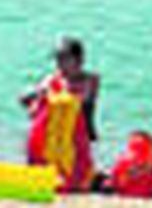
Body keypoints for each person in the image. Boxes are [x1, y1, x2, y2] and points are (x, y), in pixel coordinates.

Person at [21, 36, 99, 190]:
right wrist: (37, 96)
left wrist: (56, 96)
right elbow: (25, 99)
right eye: (58, 60)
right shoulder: (52, 80)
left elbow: (86, 102)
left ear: (79, 60)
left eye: (64, 59)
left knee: (79, 182)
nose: (59, 64)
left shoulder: (89, 80)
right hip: (50, 138)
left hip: (75, 138)